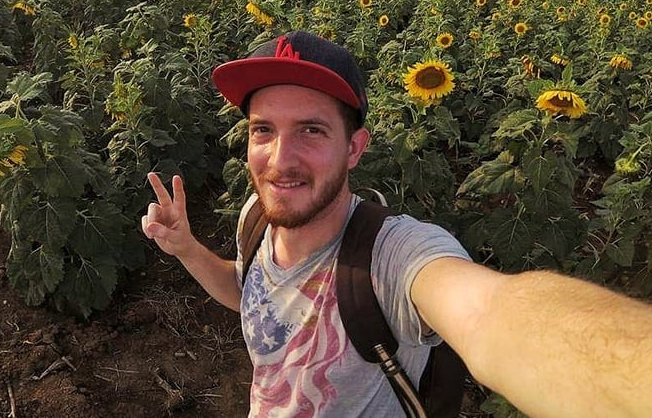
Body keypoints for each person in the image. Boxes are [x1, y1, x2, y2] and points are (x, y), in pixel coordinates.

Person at [142, 30, 652, 418]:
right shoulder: (258, 218)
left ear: (354, 149)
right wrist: (186, 247)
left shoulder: (391, 257)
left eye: (312, 130)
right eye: (263, 130)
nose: (280, 160)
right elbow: (248, 292)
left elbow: (492, 314)